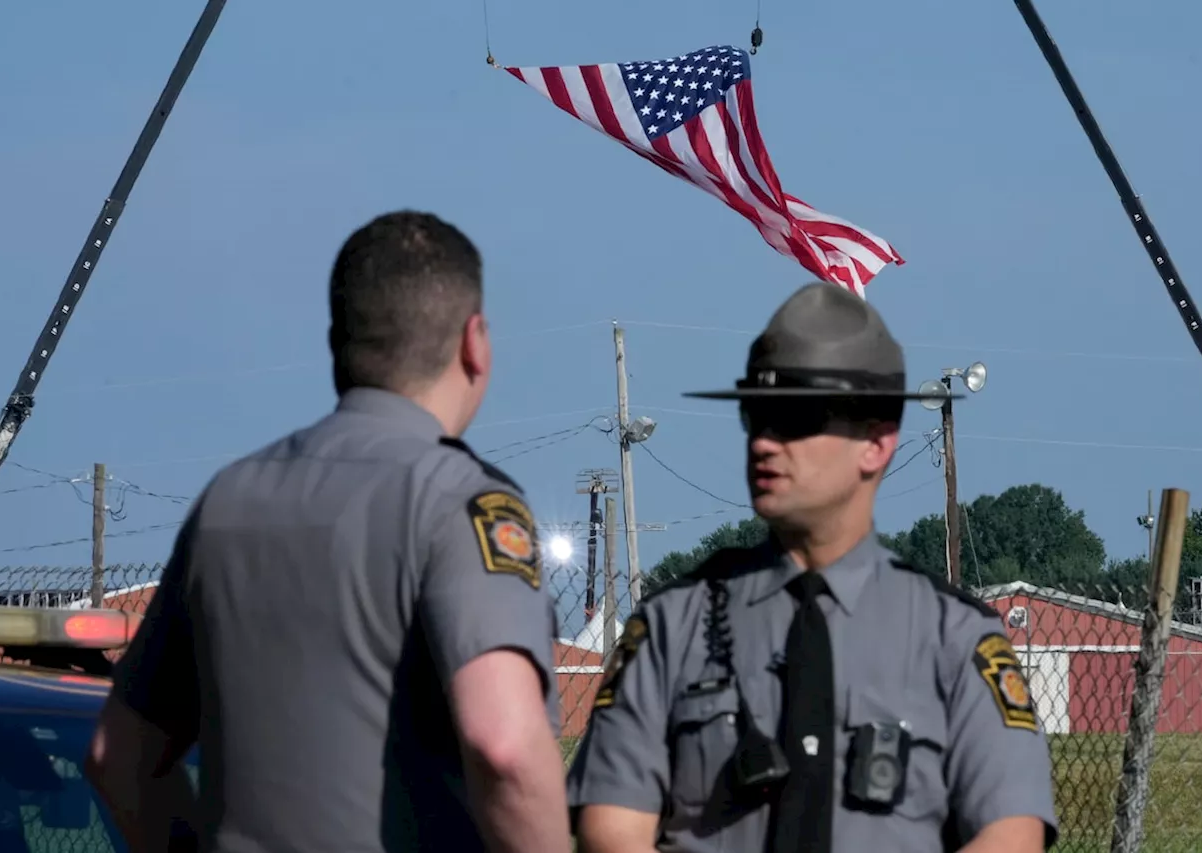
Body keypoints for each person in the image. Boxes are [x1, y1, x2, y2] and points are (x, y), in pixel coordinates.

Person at [85, 211, 572, 853]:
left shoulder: (229, 500)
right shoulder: (461, 501)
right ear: (473, 343)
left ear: (339, 343)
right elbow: (504, 745)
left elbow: (118, 755)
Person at [566, 281, 1059, 853]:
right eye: (756, 414)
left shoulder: (954, 638)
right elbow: (611, 829)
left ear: (875, 442)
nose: (764, 444)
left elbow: (1010, 833)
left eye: (795, 418)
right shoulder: (670, 628)